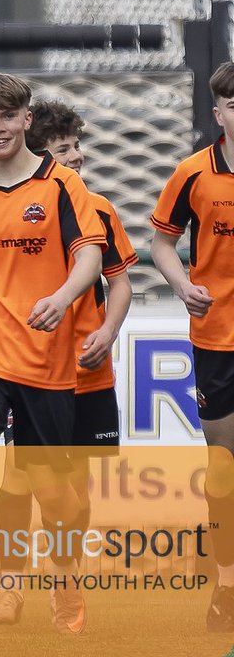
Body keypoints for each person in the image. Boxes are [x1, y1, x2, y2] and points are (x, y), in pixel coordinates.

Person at [0, 74, 105, 637]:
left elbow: (89, 257)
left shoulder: (62, 187)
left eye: (6, 117)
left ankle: (66, 575)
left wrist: (62, 299)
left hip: (45, 361)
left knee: (51, 490)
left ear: (26, 120)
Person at [0, 100, 137, 626]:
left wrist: (107, 330)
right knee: (19, 478)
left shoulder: (99, 208)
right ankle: (8, 585)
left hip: (87, 372)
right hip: (27, 368)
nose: (75, 156)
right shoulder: (12, 206)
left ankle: (67, 583)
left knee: (74, 489)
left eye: (76, 146)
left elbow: (120, 283)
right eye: (62, 149)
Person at [151, 61, 234, 632]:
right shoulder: (194, 173)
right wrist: (182, 283)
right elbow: (160, 243)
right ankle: (225, 585)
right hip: (217, 338)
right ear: (218, 112)